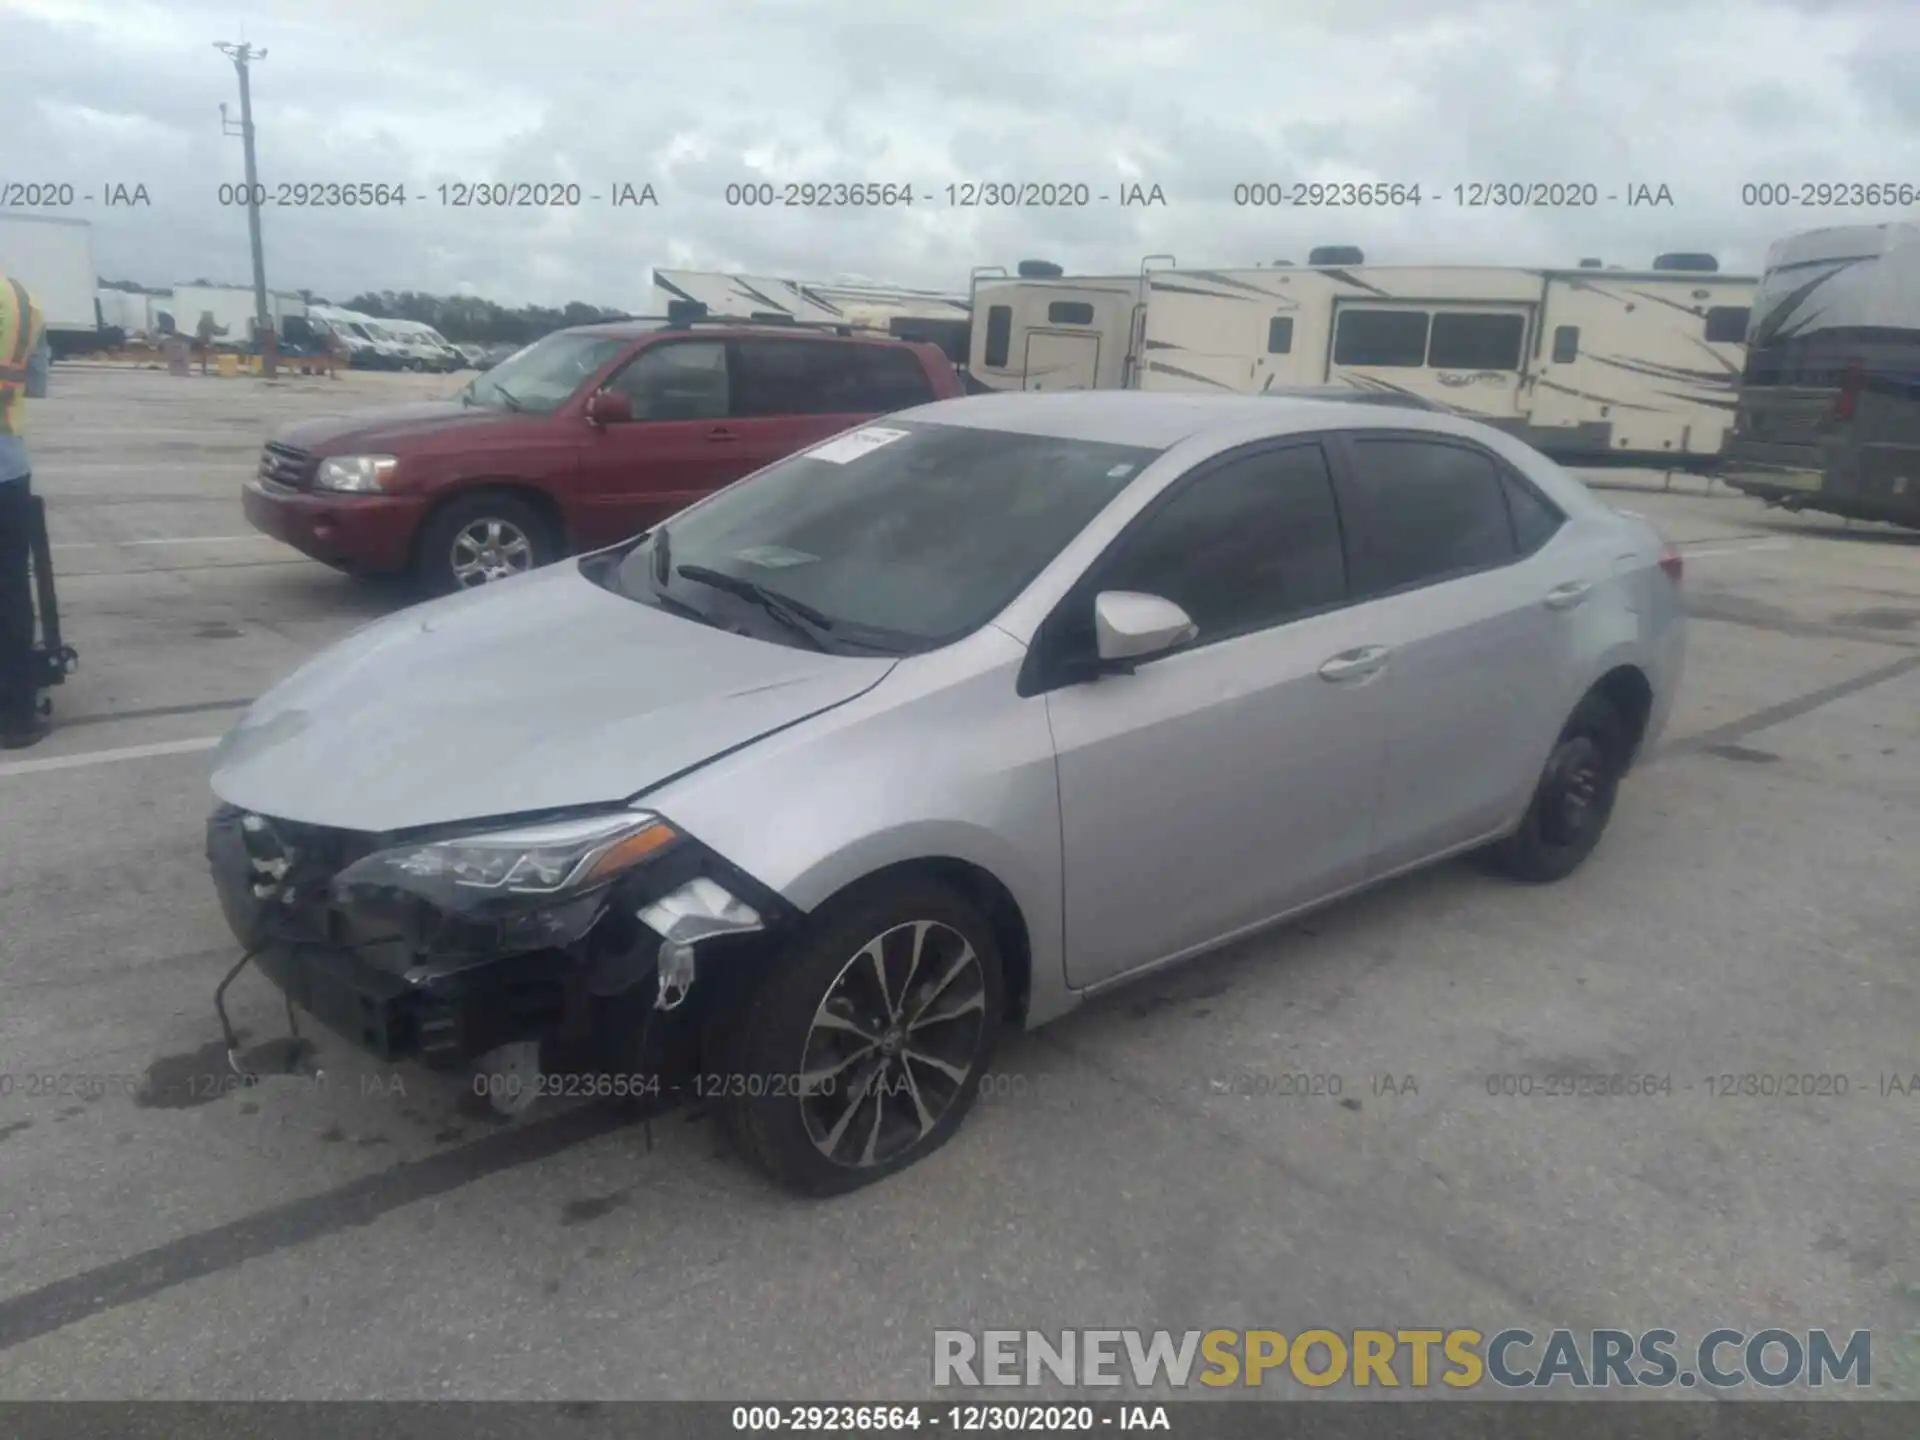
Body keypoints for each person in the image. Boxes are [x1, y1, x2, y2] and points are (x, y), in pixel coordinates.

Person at [0, 270, 52, 747]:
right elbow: (35, 382)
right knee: (10, 591)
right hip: (5, 466)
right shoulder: (21, 298)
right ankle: (14, 716)